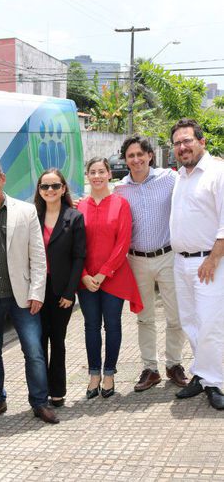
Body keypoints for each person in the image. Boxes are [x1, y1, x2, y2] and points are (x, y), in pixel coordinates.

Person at [0, 159, 59, 424]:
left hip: (23, 296)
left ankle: (39, 402)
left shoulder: (26, 211)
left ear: (2, 179)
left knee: (34, 351)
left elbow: (38, 255)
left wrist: (37, 292)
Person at [113, 136, 188, 393]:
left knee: (175, 315)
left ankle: (174, 364)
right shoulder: (119, 189)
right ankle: (150, 369)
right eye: (131, 156)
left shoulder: (169, 178)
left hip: (168, 256)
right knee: (144, 318)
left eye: (140, 154)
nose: (136, 160)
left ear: (150, 156)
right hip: (136, 260)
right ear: (126, 160)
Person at [169, 118, 224, 410]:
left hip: (209, 262)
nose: (182, 147)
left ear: (202, 142)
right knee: (190, 322)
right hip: (181, 263)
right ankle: (201, 375)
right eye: (177, 143)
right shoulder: (181, 176)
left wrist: (213, 259)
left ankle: (216, 382)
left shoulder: (218, 172)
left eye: (187, 140)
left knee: (210, 324)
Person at [77, 157, 143, 400]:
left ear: (109, 174)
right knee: (91, 326)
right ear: (87, 175)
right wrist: (85, 275)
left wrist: (103, 273)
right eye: (92, 172)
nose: (97, 176)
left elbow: (123, 242)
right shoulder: (79, 207)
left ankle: (109, 373)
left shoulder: (120, 204)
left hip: (113, 276)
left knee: (112, 325)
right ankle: (94, 373)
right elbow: (74, 246)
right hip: (86, 279)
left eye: (101, 171)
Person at [34, 168, 86, 407]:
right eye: (45, 186)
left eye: (55, 185)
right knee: (38, 342)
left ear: (63, 188)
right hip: (37, 290)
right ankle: (40, 391)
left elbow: (78, 257)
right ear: (39, 190)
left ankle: (57, 391)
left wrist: (69, 292)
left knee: (57, 341)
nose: (50, 190)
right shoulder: (32, 216)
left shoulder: (74, 217)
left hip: (60, 292)